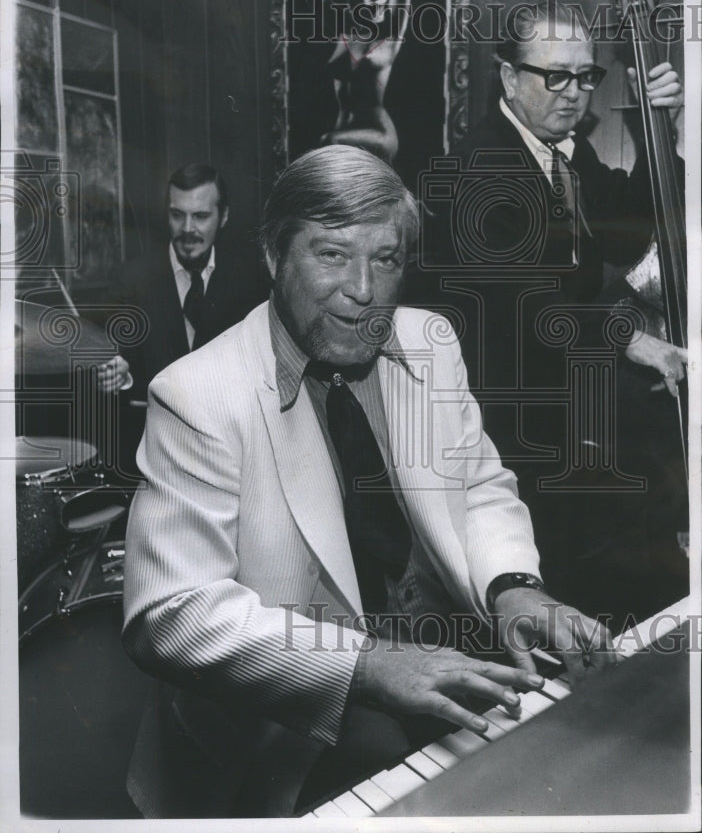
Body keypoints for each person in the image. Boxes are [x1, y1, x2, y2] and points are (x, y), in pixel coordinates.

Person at [122, 144, 614, 819]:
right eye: (331, 254)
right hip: (281, 737)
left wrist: (512, 588)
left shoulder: (431, 341)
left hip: (445, 661)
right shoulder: (197, 394)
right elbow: (170, 614)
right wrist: (368, 665)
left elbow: (477, 485)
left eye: (385, 258)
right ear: (273, 258)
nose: (363, 288)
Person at [436, 0, 687, 624]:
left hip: (568, 414)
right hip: (509, 428)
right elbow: (522, 301)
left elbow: (629, 228)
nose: (573, 93)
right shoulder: (479, 165)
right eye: (556, 75)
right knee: (547, 593)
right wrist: (629, 337)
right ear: (509, 76)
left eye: (585, 75)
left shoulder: (567, 155)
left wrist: (664, 127)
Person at [97, 163, 262, 472]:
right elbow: (119, 360)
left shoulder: (250, 280)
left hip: (230, 460)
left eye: (200, 216)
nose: (188, 229)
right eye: (177, 215)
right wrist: (117, 374)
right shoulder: (130, 280)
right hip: (154, 459)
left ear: (223, 216)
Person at [311, 0, 413, 161]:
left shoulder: (391, 34)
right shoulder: (343, 33)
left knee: (328, 142)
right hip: (343, 132)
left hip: (379, 134)